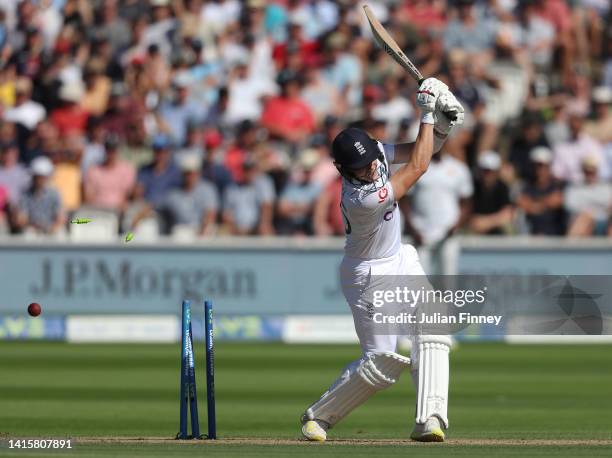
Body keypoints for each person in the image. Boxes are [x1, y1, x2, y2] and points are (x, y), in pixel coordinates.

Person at [300, 78, 464, 443]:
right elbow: (418, 167)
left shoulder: (373, 153)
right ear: (344, 170)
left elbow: (418, 150)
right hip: (369, 276)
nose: (369, 168)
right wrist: (425, 113)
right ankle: (319, 416)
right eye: (358, 167)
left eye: (369, 161)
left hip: (399, 258)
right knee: (382, 365)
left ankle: (430, 420)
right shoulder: (361, 198)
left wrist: (442, 126)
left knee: (433, 327)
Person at [12, 156, 64, 235]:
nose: (39, 180)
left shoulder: (54, 194)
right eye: (37, 176)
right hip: (31, 232)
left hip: (51, 231)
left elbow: (60, 217)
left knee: (60, 233)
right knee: (28, 234)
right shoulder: (25, 194)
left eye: (42, 177)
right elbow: (22, 218)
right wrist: (32, 228)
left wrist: (52, 228)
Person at [469, 151, 513, 235]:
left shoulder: (502, 187)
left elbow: (508, 214)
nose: (487, 174)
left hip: (494, 227)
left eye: (491, 171)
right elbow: (467, 211)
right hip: (475, 228)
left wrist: (486, 223)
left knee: (508, 228)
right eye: (485, 170)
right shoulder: (473, 186)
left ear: (497, 172)